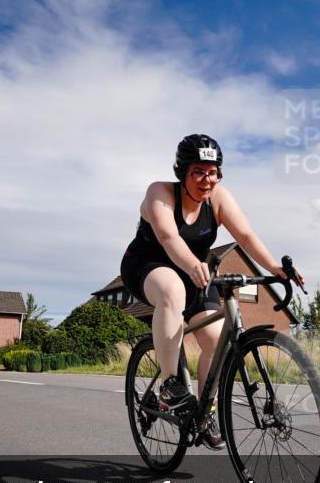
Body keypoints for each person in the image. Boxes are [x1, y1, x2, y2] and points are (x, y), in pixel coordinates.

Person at [120, 134, 304, 450]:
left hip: (196, 272)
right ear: (182, 172)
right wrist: (192, 264)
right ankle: (169, 385)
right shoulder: (160, 193)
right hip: (147, 265)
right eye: (198, 172)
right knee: (171, 289)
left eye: (213, 172)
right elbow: (167, 236)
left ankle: (206, 412)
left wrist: (274, 267)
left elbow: (244, 235)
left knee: (218, 340)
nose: (208, 180)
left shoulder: (218, 198)